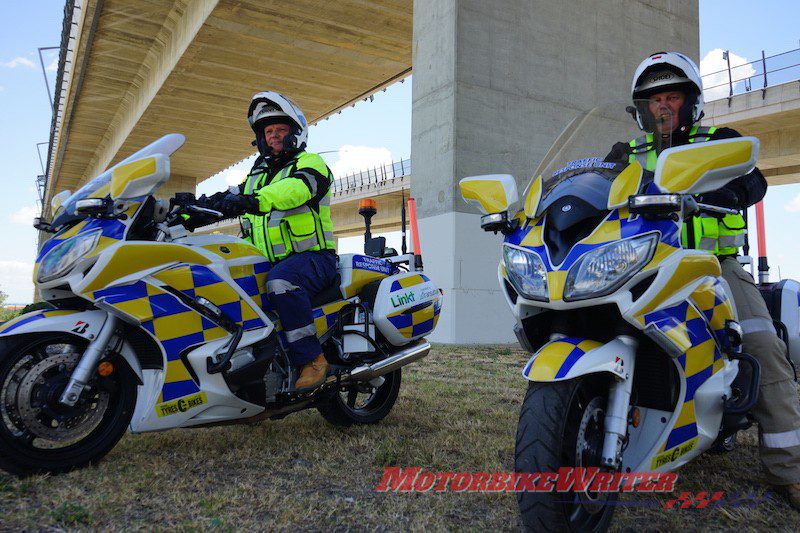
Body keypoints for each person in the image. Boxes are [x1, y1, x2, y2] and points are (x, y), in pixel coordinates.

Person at [606, 52, 800, 507]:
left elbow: (753, 181)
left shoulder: (719, 139)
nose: (663, 106)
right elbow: (600, 186)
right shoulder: (624, 154)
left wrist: (724, 190)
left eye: (672, 95)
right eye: (654, 99)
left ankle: (789, 470)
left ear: (691, 101)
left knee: (762, 347)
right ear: (642, 107)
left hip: (713, 267)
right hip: (643, 262)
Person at [206, 91, 337, 390]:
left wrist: (254, 201)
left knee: (281, 283)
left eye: (280, 130)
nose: (274, 136)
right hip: (269, 261)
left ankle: (312, 359)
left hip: (314, 259)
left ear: (294, 133)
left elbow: (295, 190)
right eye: (269, 131)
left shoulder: (311, 163)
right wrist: (191, 209)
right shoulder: (257, 174)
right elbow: (232, 198)